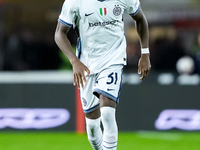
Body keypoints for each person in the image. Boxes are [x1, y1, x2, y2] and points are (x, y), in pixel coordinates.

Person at [55, 0, 151, 149]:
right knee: (92, 129)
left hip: (113, 59)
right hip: (87, 65)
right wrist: (74, 61)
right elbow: (59, 33)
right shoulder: (75, 2)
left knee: (107, 112)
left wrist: (145, 53)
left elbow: (140, 19)